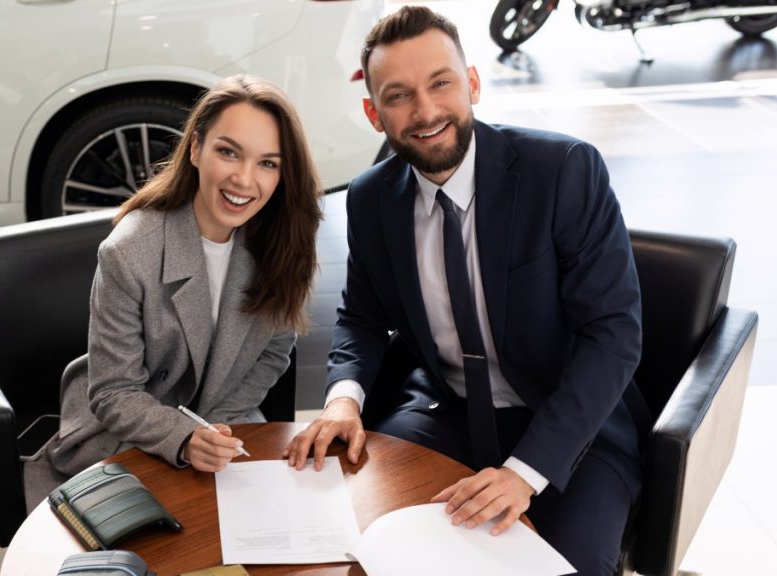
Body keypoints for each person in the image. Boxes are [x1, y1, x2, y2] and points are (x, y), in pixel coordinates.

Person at [284, 7, 648, 575]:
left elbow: (614, 335)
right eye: (399, 95)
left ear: (472, 82)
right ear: (372, 112)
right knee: (359, 549)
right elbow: (361, 316)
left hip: (572, 424)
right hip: (443, 412)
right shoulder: (371, 198)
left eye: (441, 83)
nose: (426, 112)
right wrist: (343, 400)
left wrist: (524, 472)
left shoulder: (565, 170)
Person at [43, 75, 322, 481]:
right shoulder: (128, 251)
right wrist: (185, 437)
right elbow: (113, 392)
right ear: (195, 149)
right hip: (129, 429)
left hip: (224, 418)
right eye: (228, 152)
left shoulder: (284, 243)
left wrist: (216, 429)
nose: (245, 180)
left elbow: (272, 354)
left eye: (267, 163)